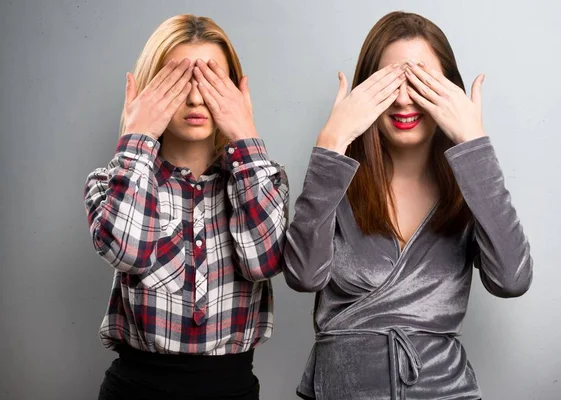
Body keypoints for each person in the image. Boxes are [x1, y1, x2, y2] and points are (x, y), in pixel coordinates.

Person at [283, 11, 533, 400]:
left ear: (449, 90)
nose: (402, 100)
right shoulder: (336, 180)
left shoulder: (471, 184)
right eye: (390, 83)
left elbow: (512, 280)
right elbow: (302, 276)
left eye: (420, 82)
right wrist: (331, 145)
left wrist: (474, 146)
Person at [84, 14, 289, 400]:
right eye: (179, 82)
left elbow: (266, 261)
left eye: (211, 82)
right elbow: (128, 251)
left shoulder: (262, 179)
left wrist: (245, 136)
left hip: (233, 388)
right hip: (136, 388)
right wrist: (136, 136)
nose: (196, 98)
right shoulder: (109, 181)